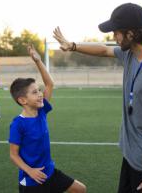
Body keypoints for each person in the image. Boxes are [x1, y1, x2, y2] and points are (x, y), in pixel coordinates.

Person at [53, 3, 142, 193]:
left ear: (131, 34)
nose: (113, 37)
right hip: (131, 156)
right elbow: (103, 50)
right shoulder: (130, 53)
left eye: (116, 32)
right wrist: (73, 46)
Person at [8, 45, 86, 193]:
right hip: (32, 180)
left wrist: (38, 61)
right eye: (34, 92)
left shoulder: (42, 110)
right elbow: (13, 155)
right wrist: (30, 171)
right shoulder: (18, 124)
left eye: (39, 91)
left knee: (80, 189)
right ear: (23, 100)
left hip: (50, 172)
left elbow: (50, 84)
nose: (39, 94)